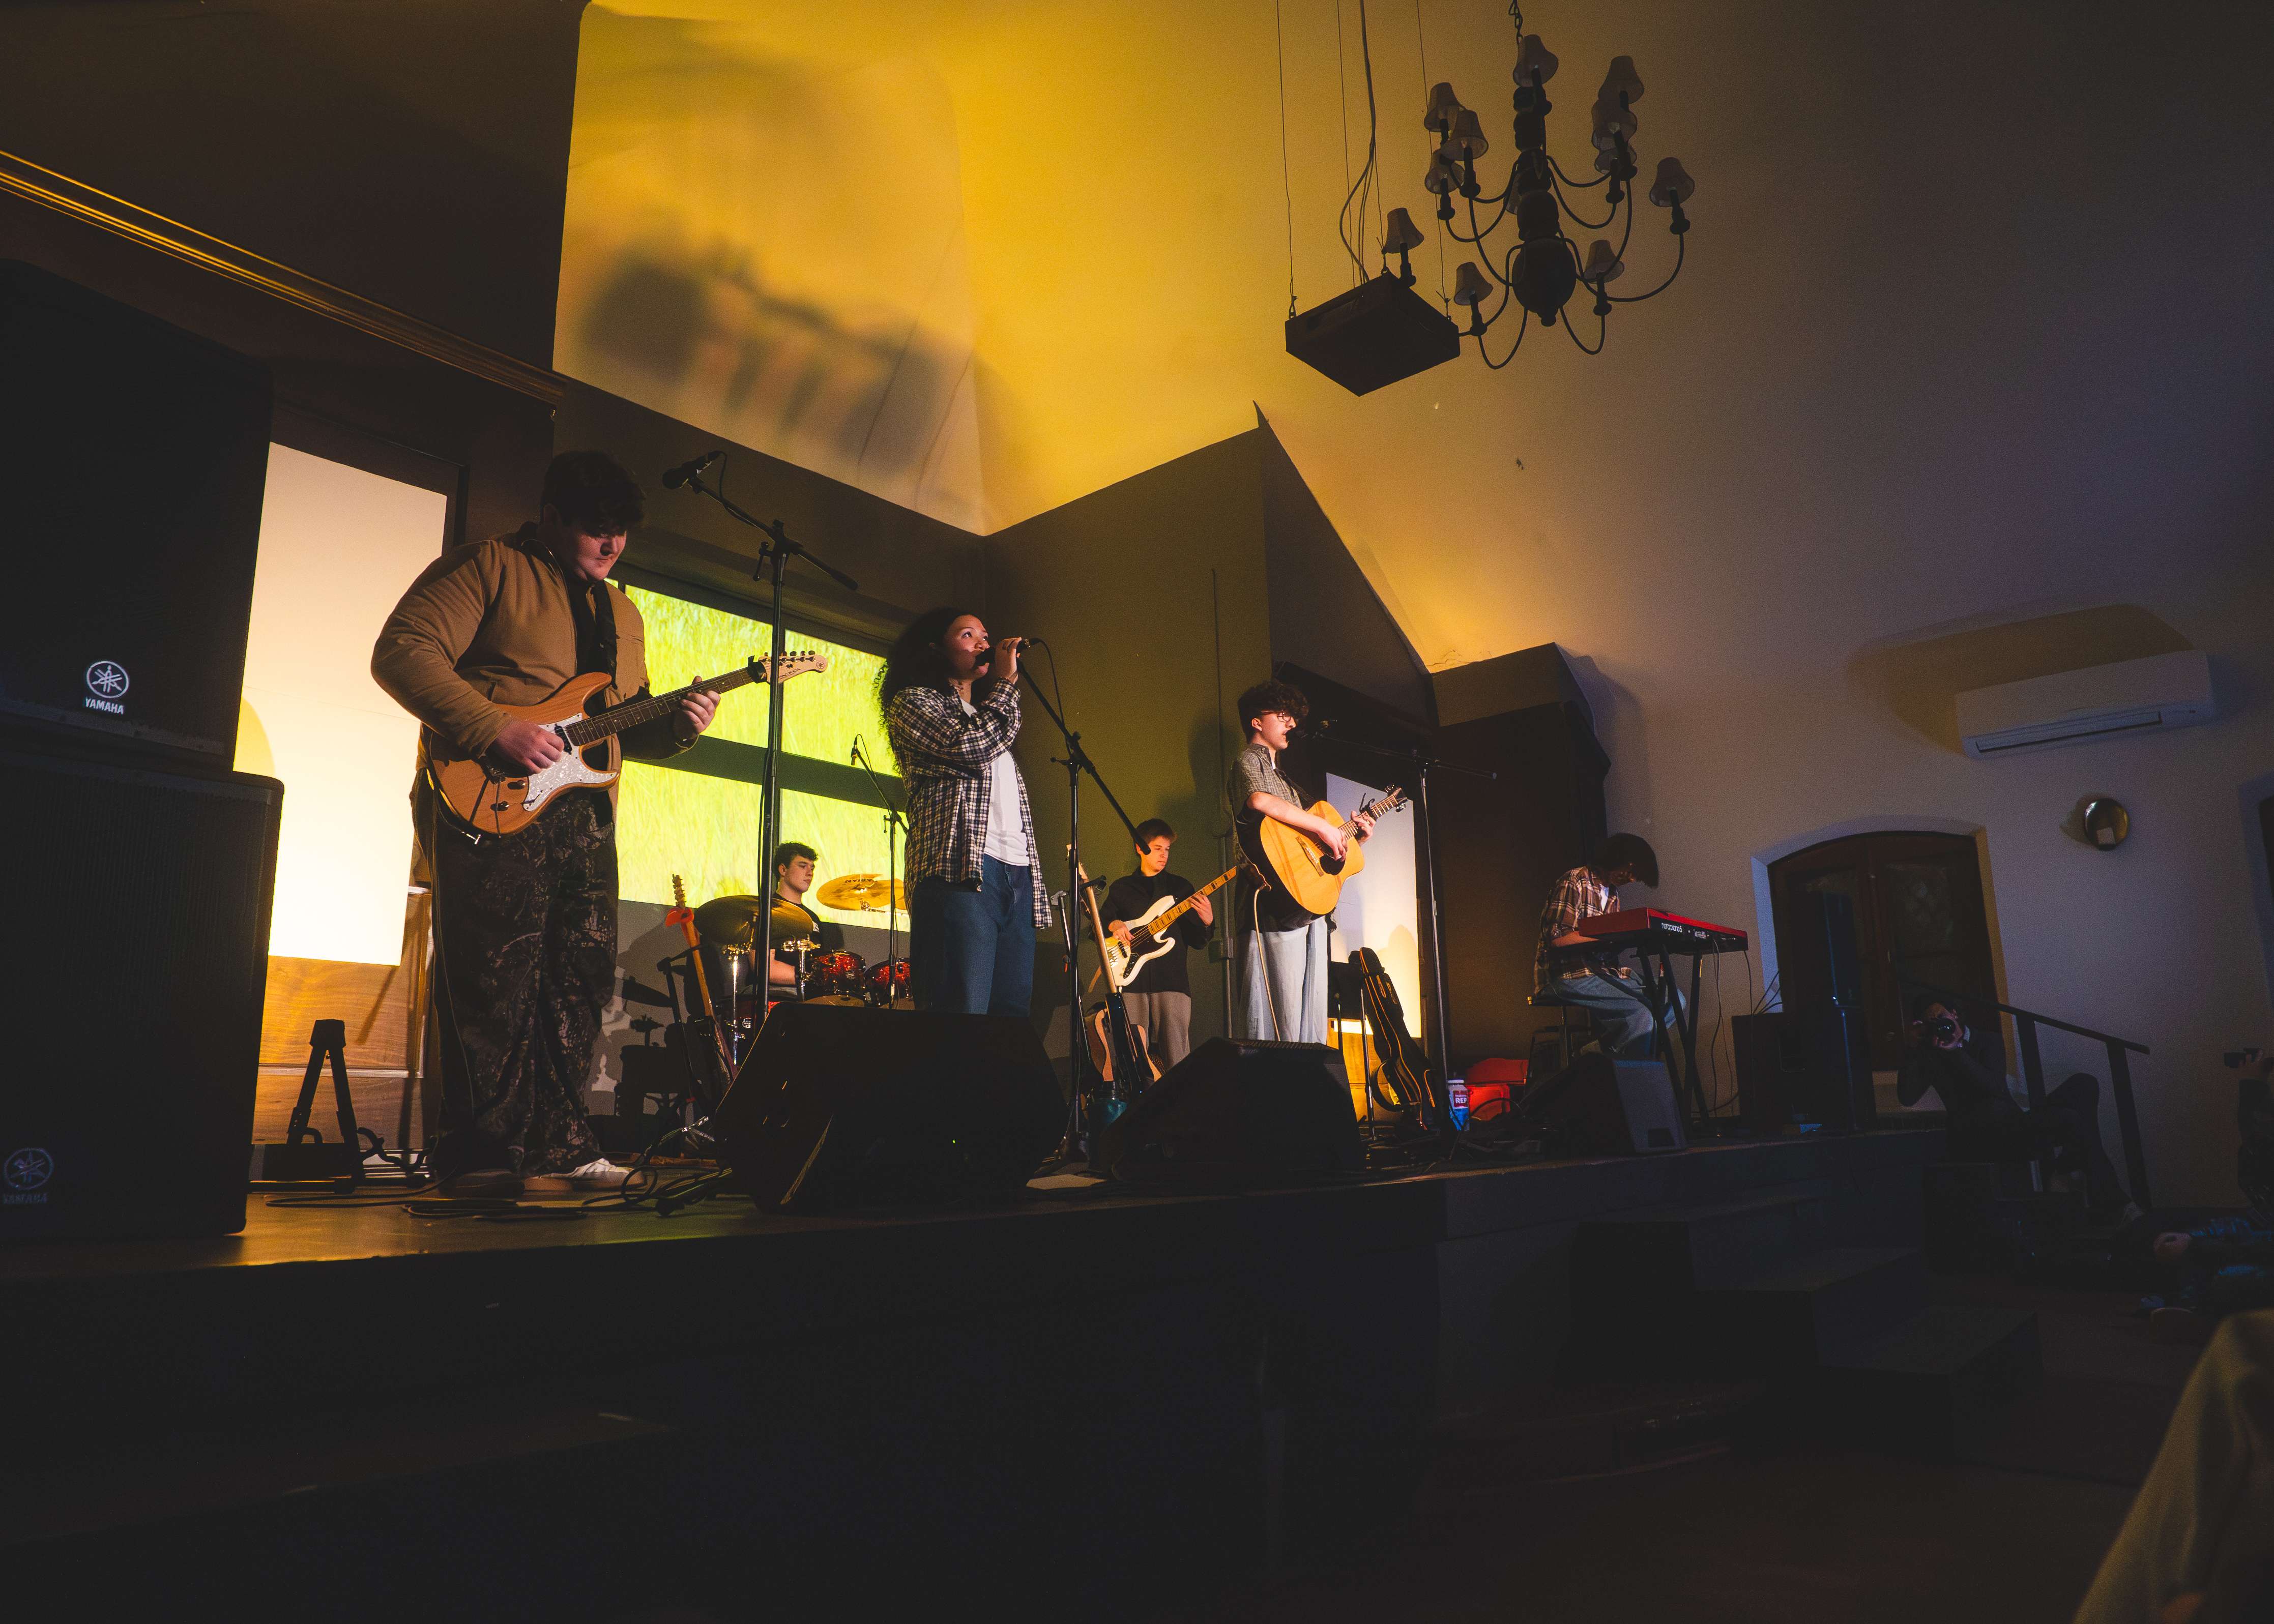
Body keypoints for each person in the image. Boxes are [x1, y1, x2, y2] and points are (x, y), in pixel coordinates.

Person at [372, 450, 717, 1195]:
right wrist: (492, 727)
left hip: (587, 815)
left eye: (621, 533)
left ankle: (562, 1143)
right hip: (489, 798)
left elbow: (618, 728)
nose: (611, 545)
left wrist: (680, 725)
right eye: (597, 530)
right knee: (492, 977)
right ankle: (478, 1153)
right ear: (553, 516)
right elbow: (402, 651)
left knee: (581, 978)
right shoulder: (489, 566)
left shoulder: (625, 613)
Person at [880, 608, 1049, 1016]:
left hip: (1017, 873)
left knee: (1010, 1020)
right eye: (967, 634)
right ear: (936, 649)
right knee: (961, 1014)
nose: (982, 643)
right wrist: (1007, 683)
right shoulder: (914, 702)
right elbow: (968, 748)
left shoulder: (991, 715)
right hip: (960, 873)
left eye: (985, 635)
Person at [1895, 993, 2131, 1222]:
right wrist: (1914, 1049)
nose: (1940, 1025)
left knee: (2084, 1084)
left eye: (1941, 1016)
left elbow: (1994, 1086)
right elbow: (1906, 1097)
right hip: (1979, 1137)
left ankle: (2069, 1163)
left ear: (1954, 1014)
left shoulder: (1988, 1040)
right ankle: (2106, 1197)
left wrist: (1958, 1050)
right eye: (1931, 1022)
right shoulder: (1931, 1055)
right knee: (2070, 1120)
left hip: (2014, 1124)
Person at [1227, 679, 1371, 1044]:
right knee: (1278, 1025)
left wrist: (1349, 837)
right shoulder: (1249, 761)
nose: (1291, 723)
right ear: (1257, 722)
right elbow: (1259, 801)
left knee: (1308, 1027)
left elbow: (1306, 846)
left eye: (1292, 716)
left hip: (1304, 907)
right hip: (1271, 907)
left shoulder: (1286, 779)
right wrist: (1324, 825)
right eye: (1282, 715)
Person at [1532, 833, 1680, 1058]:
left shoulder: (1612, 895)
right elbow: (1557, 939)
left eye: (1635, 876)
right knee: (1640, 1015)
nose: (1631, 879)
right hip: (1568, 974)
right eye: (1630, 871)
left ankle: (1596, 1055)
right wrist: (1609, 937)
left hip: (1601, 973)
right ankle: (1627, 1076)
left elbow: (1604, 946)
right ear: (1617, 858)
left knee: (1675, 1000)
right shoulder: (1575, 880)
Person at [1102, 818, 1214, 1068]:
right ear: (1139, 849)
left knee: (1178, 1059)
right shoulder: (1121, 888)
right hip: (1131, 982)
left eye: (1167, 850)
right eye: (1157, 849)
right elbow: (1101, 924)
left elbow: (1198, 940)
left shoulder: (1181, 887)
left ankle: (1179, 1107)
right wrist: (1114, 925)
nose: (1164, 855)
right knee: (1132, 1059)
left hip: (1171, 981)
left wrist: (1207, 922)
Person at [763, 840, 842, 994]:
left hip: (810, 993)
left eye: (812, 868)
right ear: (783, 870)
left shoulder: (813, 917)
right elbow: (766, 968)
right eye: (802, 866)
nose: (810, 873)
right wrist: (811, 977)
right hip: (780, 994)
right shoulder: (769, 911)